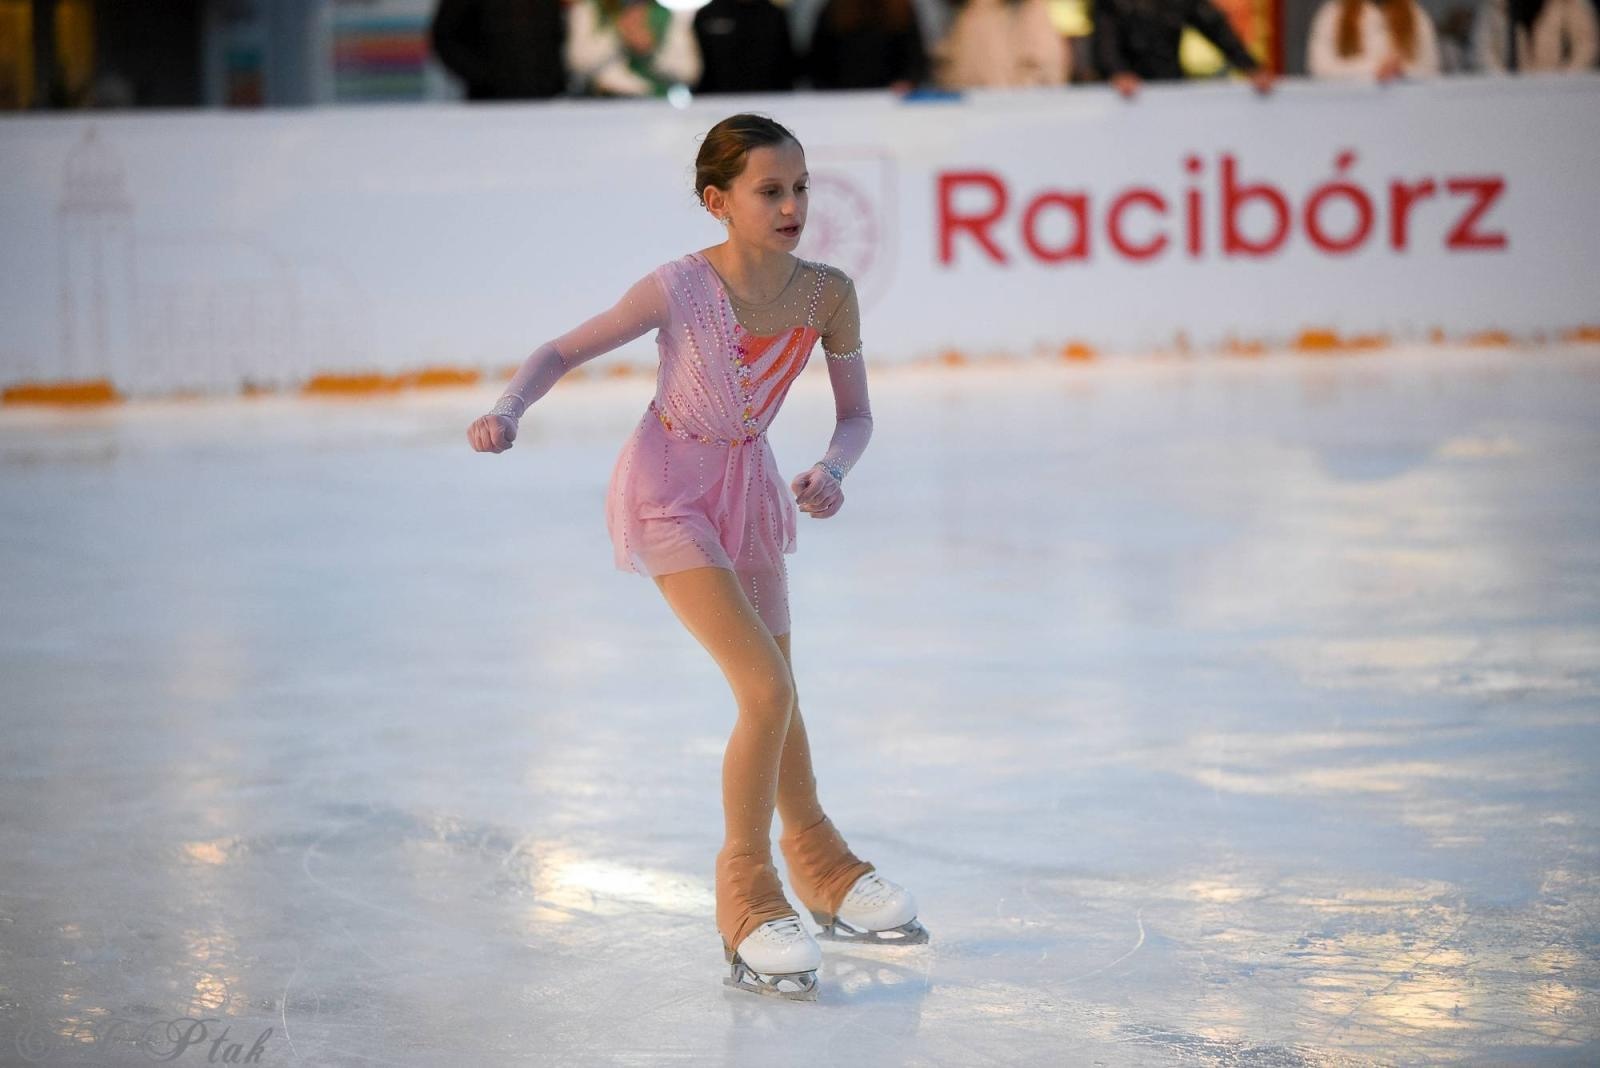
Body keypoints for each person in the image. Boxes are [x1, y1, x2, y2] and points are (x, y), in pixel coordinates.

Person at [466, 113, 930, 1002]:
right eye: (770, 190)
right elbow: (563, 348)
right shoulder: (677, 287)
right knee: (765, 690)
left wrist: (834, 468)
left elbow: (857, 416)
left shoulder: (827, 292)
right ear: (718, 201)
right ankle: (747, 896)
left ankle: (824, 865)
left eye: (801, 187)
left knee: (781, 684)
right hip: (669, 489)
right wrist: (512, 408)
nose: (793, 204)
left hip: (748, 492)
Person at [1091, 0, 1277, 98]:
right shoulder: (1111, 3)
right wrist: (1117, 72)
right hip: (1120, 97)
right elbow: (1105, 39)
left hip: (1170, 86)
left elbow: (1213, 25)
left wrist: (1250, 66)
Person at [430, 0, 569, 100]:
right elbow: (445, 38)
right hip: (489, 105)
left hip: (547, 102)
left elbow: (560, 35)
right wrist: (485, 77)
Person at [566, 0, 701, 97]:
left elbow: (688, 72)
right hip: (604, 103)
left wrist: (649, 51)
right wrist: (618, 33)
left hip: (657, 104)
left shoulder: (669, 9)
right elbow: (577, 64)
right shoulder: (590, 7)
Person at [936, 0, 1072, 88]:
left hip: (1024, 111)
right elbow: (957, 76)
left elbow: (1049, 70)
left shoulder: (1036, 13)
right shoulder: (972, 17)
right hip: (982, 112)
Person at [806, 0, 930, 90]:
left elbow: (915, 57)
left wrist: (908, 81)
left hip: (889, 95)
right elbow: (819, 58)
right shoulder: (834, 9)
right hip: (841, 96)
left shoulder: (902, 9)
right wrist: (825, 89)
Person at [1307, 0, 1442, 79]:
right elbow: (1319, 68)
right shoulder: (1333, 13)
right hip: (1349, 111)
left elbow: (1431, 69)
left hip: (1402, 111)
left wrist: (1402, 71)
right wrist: (1373, 70)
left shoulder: (1415, 14)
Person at [693, 0, 799, 93]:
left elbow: (787, 60)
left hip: (770, 96)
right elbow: (695, 62)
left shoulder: (774, 14)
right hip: (718, 96)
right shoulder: (708, 14)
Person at [1472, 0, 1599, 72]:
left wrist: (1565, 78)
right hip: (1511, 93)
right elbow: (1483, 51)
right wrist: (1504, 82)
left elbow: (1587, 45)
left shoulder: (1571, 4)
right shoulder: (1494, 6)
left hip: (1562, 91)